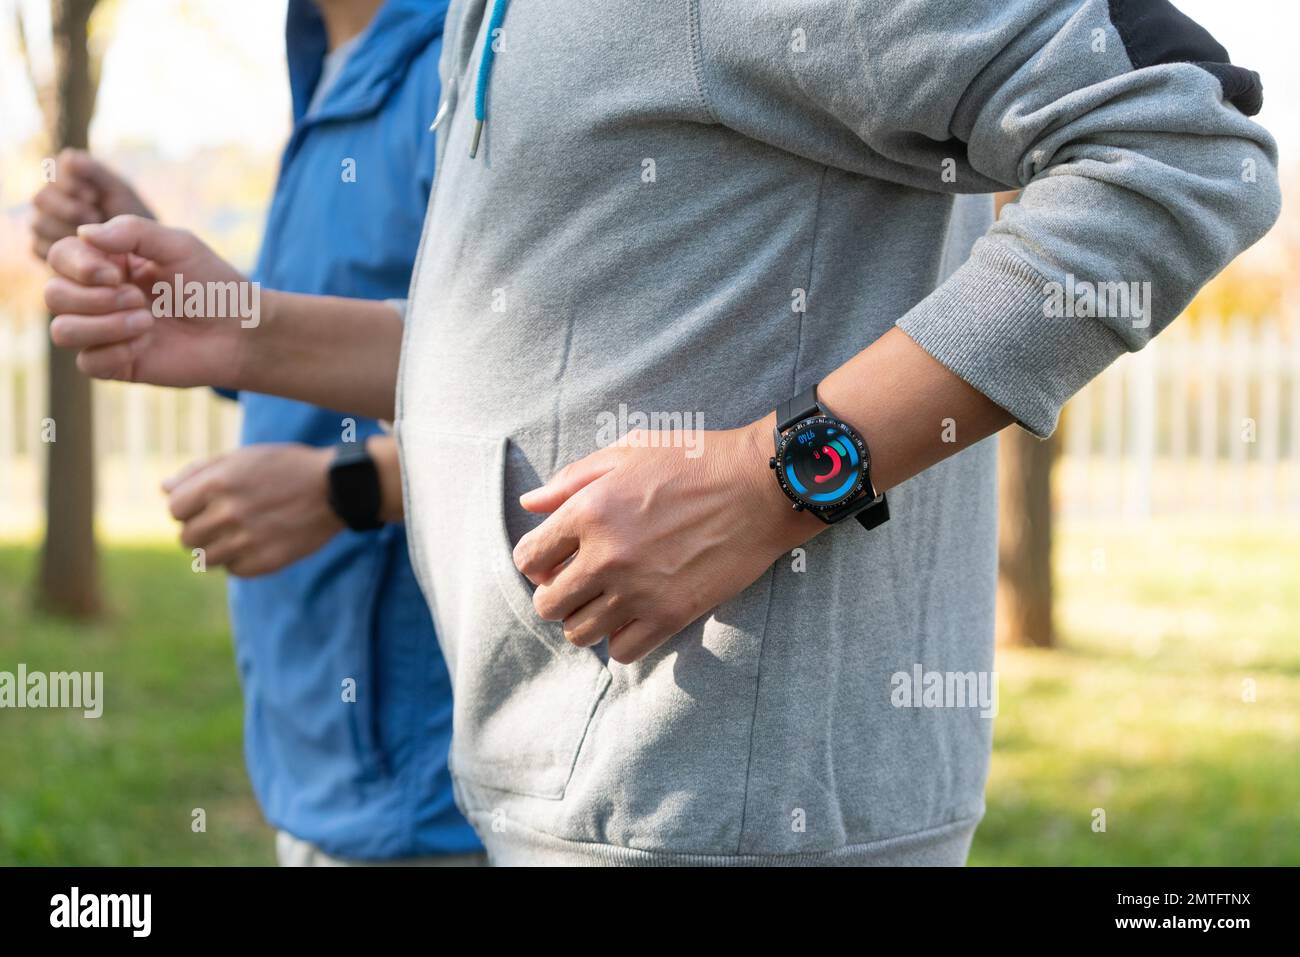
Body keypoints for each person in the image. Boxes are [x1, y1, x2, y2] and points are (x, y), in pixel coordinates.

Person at [45, 0, 1280, 865]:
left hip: (718, 820)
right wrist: (251, 332)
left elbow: (1185, 142)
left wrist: (780, 476)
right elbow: (549, 341)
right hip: (571, 807)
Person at [33, 0, 482, 866]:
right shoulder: (323, 64)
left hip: (425, 786)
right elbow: (331, 358)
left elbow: (556, 392)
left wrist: (348, 488)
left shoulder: (467, 62)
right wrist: (180, 281)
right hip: (316, 758)